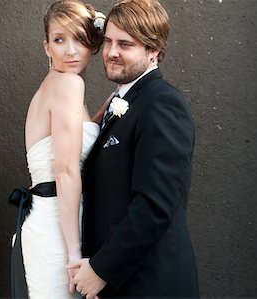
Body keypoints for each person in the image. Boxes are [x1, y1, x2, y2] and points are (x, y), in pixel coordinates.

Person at [67, 0, 200, 298]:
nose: (112, 52)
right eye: (109, 41)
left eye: (125, 44)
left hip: (148, 283)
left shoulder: (163, 104)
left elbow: (155, 206)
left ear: (153, 50)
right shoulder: (123, 101)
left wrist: (102, 268)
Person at [8, 1, 105, 297]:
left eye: (79, 39)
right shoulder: (67, 85)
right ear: (47, 47)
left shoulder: (60, 84)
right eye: (59, 40)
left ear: (93, 44)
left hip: (52, 219)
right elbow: (64, 168)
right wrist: (74, 252)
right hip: (58, 230)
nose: (70, 50)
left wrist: (105, 112)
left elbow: (75, 137)